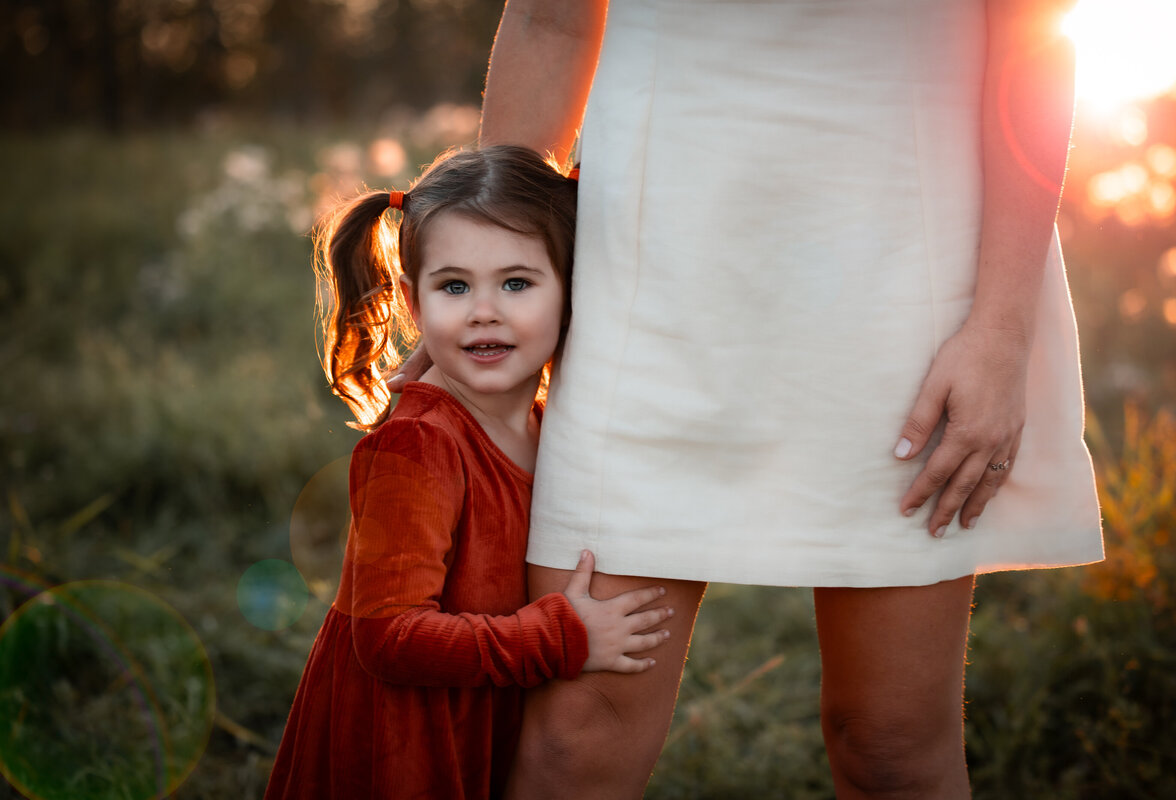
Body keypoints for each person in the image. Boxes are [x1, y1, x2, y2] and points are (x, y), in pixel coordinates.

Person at [462, 0, 1105, 797]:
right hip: (641, 293)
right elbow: (550, 20)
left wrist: (1003, 331)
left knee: (890, 747)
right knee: (573, 740)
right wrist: (490, 275)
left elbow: (1032, 38)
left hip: (907, 294)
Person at [264, 145, 673, 800]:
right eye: (454, 286)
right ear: (414, 307)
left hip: (476, 715)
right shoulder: (419, 447)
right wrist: (560, 637)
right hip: (405, 745)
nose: (484, 310)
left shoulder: (551, 427)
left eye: (517, 283)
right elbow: (388, 637)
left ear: (571, 294)